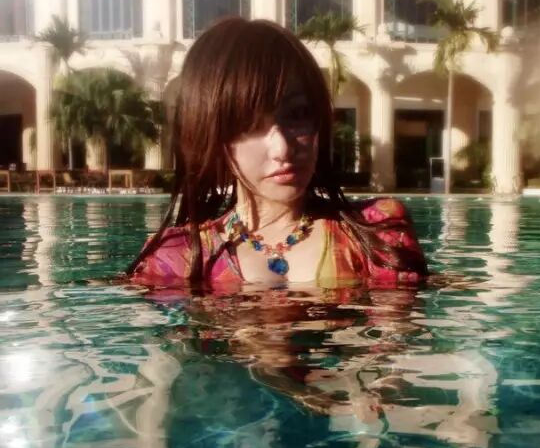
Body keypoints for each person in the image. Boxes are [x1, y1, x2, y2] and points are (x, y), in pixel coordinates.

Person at [127, 17, 427, 290]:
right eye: (247, 126)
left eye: (297, 114)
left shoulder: (378, 232)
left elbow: (395, 331)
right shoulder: (177, 259)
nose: (282, 148)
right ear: (212, 136)